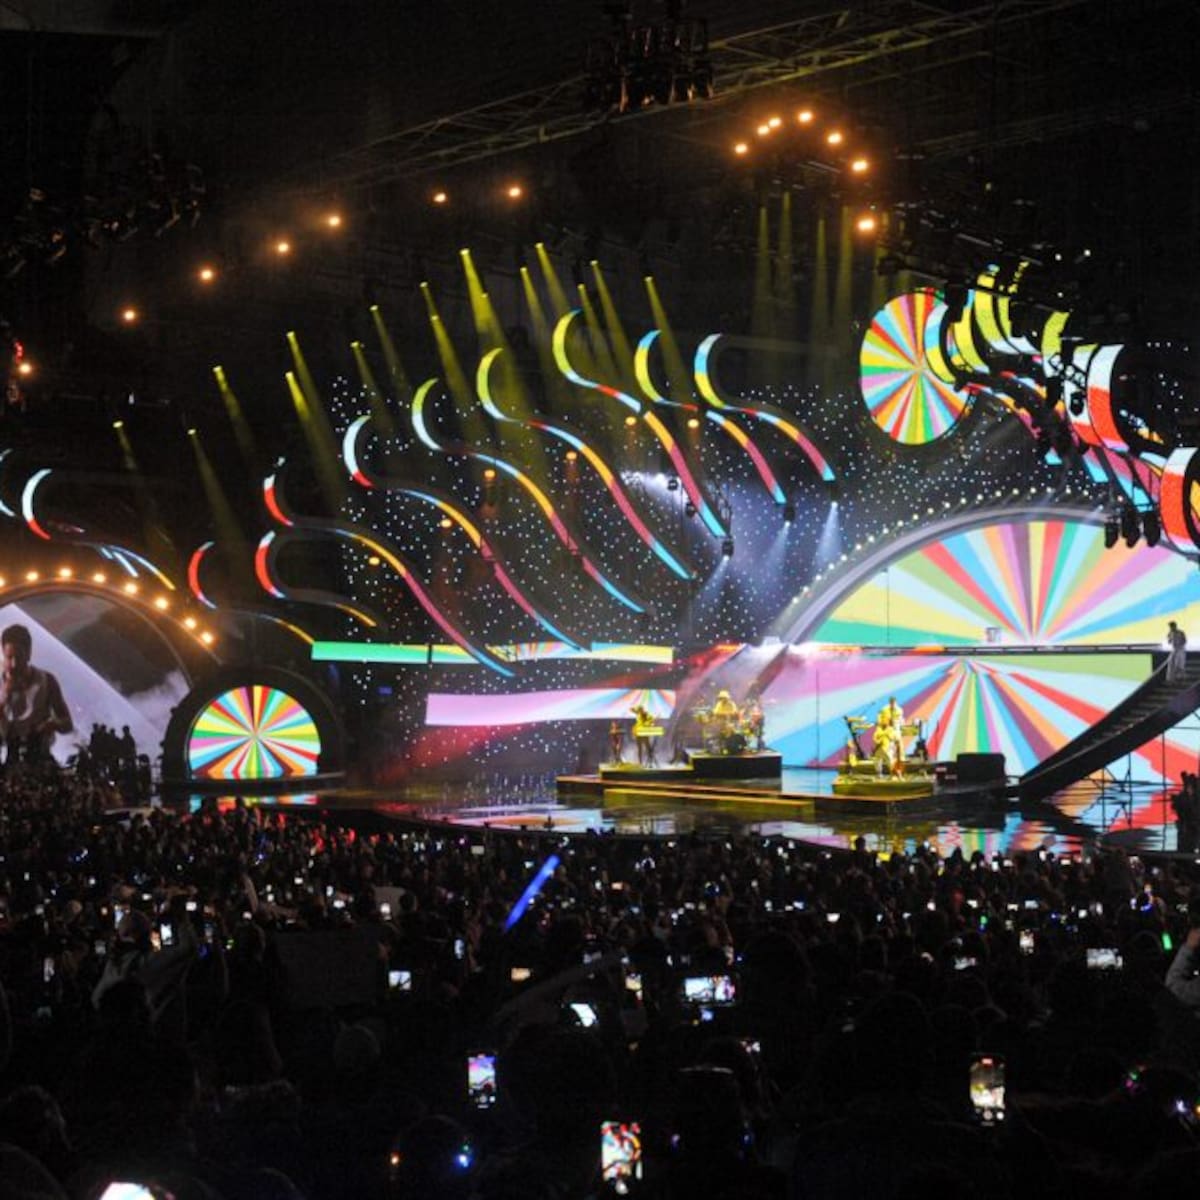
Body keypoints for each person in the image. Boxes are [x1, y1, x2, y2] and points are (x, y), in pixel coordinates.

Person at [0, 623, 73, 768]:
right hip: (11, 758)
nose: (14, 664)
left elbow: (67, 724)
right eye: (9, 657)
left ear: (29, 653)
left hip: (40, 757)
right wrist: (4, 697)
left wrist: (51, 725)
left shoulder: (46, 681)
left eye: (19, 657)